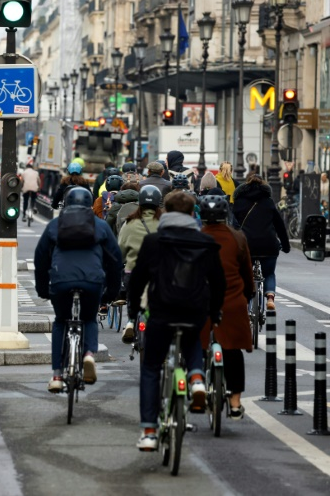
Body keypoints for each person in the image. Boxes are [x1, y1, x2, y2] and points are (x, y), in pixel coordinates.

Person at [129, 190, 225, 451]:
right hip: (194, 311)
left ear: (167, 211)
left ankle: (149, 430)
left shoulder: (154, 241)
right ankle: (196, 379)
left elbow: (138, 278)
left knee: (151, 368)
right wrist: (214, 311)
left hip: (161, 311)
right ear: (191, 213)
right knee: (193, 337)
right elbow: (218, 282)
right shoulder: (205, 242)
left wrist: (133, 308)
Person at [35, 187, 122, 390]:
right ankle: (89, 354)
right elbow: (115, 260)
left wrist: (43, 289)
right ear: (90, 204)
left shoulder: (55, 225)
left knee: (60, 322)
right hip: (92, 281)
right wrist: (110, 292)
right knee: (89, 318)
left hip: (61, 280)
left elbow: (41, 259)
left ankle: (57, 376)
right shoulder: (100, 226)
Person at [199, 194, 254, 421]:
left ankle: (198, 388)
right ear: (224, 216)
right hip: (231, 301)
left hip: (202, 301)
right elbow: (247, 274)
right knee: (233, 351)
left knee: (196, 347)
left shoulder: (197, 238)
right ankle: (234, 403)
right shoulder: (238, 238)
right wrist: (247, 294)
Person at [232, 173, 290, 311]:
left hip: (247, 245)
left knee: (245, 272)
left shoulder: (239, 202)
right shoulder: (268, 202)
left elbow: (233, 225)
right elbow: (279, 226)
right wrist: (286, 246)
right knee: (269, 273)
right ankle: (270, 297)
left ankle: (246, 298)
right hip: (268, 245)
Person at [117, 185, 164, 343]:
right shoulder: (163, 223)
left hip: (133, 273)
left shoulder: (129, 223)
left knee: (132, 296)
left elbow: (120, 251)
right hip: (159, 273)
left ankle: (131, 321)